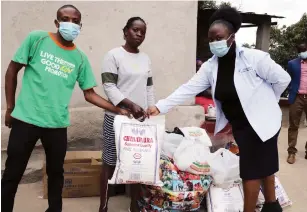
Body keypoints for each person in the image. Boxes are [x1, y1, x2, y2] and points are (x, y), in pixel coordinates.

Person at [149, 6, 291, 212]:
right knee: (264, 166)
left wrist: (268, 103)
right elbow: (188, 88)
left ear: (231, 37)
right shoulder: (210, 66)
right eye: (211, 38)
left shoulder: (254, 58)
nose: (214, 42)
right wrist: (160, 106)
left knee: (250, 171)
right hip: (241, 124)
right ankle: (272, 206)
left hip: (263, 122)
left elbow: (282, 79)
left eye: (219, 37)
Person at [1, 5, 129, 212]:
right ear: (56, 22)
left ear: (80, 25)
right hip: (25, 119)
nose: (70, 24)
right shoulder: (37, 39)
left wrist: (118, 109)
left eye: (75, 20)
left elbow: (90, 94)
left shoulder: (79, 58)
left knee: (56, 174)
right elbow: (12, 70)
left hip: (57, 124)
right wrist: (10, 107)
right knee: (12, 175)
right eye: (65, 19)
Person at [99, 17, 155, 212]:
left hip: (138, 120)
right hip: (116, 118)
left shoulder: (145, 58)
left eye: (143, 32)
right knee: (109, 161)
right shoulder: (113, 55)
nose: (139, 34)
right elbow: (109, 86)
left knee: (136, 163)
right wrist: (131, 105)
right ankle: (103, 206)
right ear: (125, 32)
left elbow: (148, 87)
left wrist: (150, 108)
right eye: (135, 30)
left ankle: (134, 206)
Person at [287, 41, 307, 164]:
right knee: (293, 125)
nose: (302, 52)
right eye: (300, 50)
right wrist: (291, 90)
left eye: (304, 49)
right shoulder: (292, 64)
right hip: (297, 97)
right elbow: (287, 78)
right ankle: (291, 152)